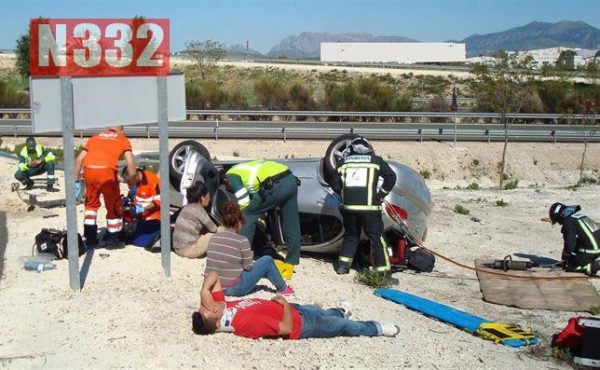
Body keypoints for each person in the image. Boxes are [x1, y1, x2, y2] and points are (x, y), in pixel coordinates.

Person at [192, 270, 400, 339]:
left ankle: (342, 310)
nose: (209, 304)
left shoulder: (222, 307)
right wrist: (283, 304)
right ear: (218, 323)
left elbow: (214, 275)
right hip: (300, 324)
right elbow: (285, 328)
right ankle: (377, 328)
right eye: (208, 308)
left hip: (295, 310)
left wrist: (204, 290)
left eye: (205, 304)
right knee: (340, 327)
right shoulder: (245, 324)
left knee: (323, 311)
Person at [330, 137, 397, 281]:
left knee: (351, 236)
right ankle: (383, 272)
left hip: (349, 208)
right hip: (370, 208)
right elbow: (391, 177)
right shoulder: (376, 161)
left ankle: (343, 266)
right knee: (376, 238)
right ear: (369, 149)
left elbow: (334, 185)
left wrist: (344, 193)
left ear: (351, 149)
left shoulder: (343, 163)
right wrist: (381, 194)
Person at [221, 160, 301, 271]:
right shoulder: (243, 168)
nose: (229, 189)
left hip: (275, 185)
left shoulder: (230, 175)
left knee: (247, 214)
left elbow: (244, 201)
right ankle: (292, 261)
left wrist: (236, 215)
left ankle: (241, 259)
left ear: (226, 180)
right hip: (290, 179)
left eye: (227, 186)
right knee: (291, 221)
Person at [205, 202, 294, 297]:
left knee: (260, 267)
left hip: (212, 286)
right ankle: (283, 288)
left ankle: (271, 275)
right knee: (267, 260)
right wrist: (249, 256)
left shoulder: (214, 237)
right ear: (239, 223)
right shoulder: (242, 240)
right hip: (232, 289)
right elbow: (248, 267)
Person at [74, 126, 137, 247]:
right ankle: (113, 239)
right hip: (107, 172)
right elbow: (130, 162)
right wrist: (133, 184)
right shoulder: (122, 139)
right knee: (113, 205)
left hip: (89, 170)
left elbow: (79, 159)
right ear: (121, 131)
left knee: (91, 205)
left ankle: (90, 237)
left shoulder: (94, 137)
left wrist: (76, 182)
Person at [547, 202, 600, 275]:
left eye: (557, 220)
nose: (559, 223)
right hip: (596, 246)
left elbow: (569, 244)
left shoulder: (568, 223)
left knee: (569, 267)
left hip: (591, 250)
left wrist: (565, 257)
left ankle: (593, 266)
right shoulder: (578, 216)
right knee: (573, 256)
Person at [172, 181, 220, 258]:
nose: (209, 198)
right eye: (208, 195)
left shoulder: (186, 207)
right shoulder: (200, 211)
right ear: (202, 197)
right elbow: (214, 229)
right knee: (220, 231)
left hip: (177, 249)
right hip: (187, 251)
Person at [121, 167, 161, 249]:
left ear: (136, 176)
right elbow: (133, 196)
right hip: (138, 209)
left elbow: (159, 202)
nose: (129, 184)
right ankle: (126, 232)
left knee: (149, 229)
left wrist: (143, 209)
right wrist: (127, 202)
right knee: (122, 212)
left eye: (130, 182)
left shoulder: (153, 180)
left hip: (152, 211)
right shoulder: (132, 180)